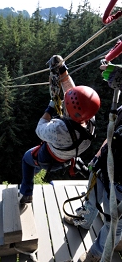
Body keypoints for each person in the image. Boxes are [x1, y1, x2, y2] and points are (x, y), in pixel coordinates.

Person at [19, 55, 101, 204]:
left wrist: (51, 107)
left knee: (27, 159)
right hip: (65, 159)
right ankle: (34, 172)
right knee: (34, 165)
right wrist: (62, 70)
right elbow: (75, 95)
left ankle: (26, 193)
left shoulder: (59, 129)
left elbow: (39, 129)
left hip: (48, 157)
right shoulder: (90, 123)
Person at [64, 62, 122, 262]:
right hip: (109, 161)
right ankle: (84, 219)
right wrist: (100, 154)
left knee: (115, 222)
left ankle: (96, 254)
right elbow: (114, 130)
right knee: (94, 191)